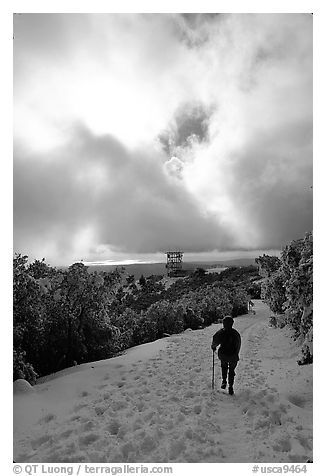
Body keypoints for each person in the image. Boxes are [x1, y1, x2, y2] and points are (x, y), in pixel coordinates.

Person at [211, 315, 241, 395]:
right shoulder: (235, 334)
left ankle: (224, 381)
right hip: (233, 355)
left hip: (223, 355)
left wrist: (213, 347)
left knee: (224, 367)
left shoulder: (221, 332)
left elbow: (215, 341)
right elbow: (238, 345)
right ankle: (231, 386)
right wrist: (236, 354)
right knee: (231, 370)